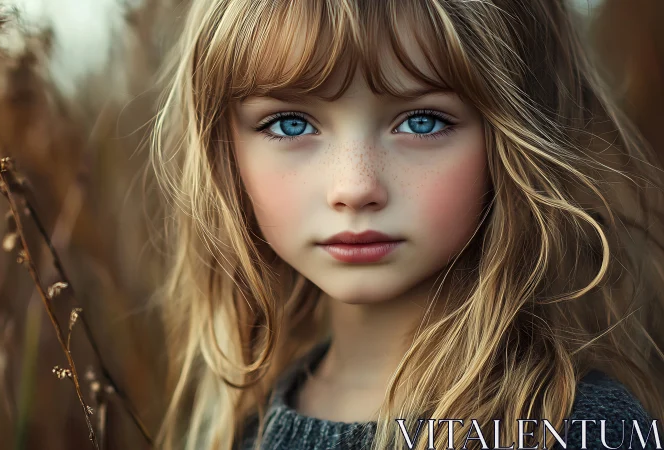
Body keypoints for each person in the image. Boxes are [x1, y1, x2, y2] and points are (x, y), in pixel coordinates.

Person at [146, 0, 664, 448]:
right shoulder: (242, 432)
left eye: (422, 121)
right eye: (290, 123)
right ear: (224, 152)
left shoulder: (577, 428)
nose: (354, 187)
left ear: (512, 137)